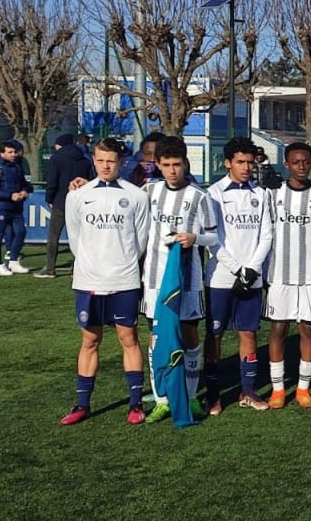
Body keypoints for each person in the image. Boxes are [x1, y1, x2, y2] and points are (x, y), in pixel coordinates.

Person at [59, 137, 151, 425]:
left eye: (111, 160)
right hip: (88, 279)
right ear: (94, 160)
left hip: (123, 279)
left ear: (121, 162)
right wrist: (92, 262)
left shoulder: (136, 195)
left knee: (128, 338)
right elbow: (75, 238)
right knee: (90, 340)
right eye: (100, 160)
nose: (105, 165)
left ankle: (135, 404)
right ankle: (82, 404)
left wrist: (121, 262)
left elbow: (140, 239)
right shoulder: (77, 194)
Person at [142, 136, 217, 423]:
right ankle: (162, 398)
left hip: (189, 279)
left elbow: (214, 236)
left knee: (188, 333)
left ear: (185, 163)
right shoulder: (148, 191)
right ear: (157, 165)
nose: (172, 170)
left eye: (177, 164)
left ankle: (190, 394)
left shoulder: (200, 197)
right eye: (166, 165)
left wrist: (195, 238)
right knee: (157, 335)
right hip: (154, 278)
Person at [205, 138, 275, 413]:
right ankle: (213, 394)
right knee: (215, 334)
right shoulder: (213, 193)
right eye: (240, 162)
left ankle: (247, 391)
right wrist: (236, 267)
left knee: (249, 332)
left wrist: (252, 268)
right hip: (222, 276)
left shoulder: (262, 194)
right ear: (227, 163)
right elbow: (212, 238)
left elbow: (267, 235)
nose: (247, 167)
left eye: (250, 162)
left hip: (252, 275)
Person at [265, 142, 311, 410]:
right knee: (278, 328)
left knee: (307, 328)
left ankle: (303, 388)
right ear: (286, 164)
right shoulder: (274, 195)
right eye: (296, 162)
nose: (301, 167)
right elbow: (266, 234)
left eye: (306, 162)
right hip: (280, 273)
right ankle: (278, 389)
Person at [39, 134, 95, 278]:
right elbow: (92, 180)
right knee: (79, 237)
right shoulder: (85, 159)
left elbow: (52, 182)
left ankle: (50, 268)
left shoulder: (56, 159)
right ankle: (76, 268)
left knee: (54, 235)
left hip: (60, 201)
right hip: (81, 202)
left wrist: (49, 199)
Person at [0, 140, 34, 276]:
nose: (13, 155)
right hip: (0, 207)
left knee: (20, 232)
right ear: (2, 153)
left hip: (16, 207)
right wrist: (9, 195)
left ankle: (13, 261)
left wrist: (25, 190)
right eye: (10, 152)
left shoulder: (17, 166)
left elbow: (25, 183)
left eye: (14, 152)